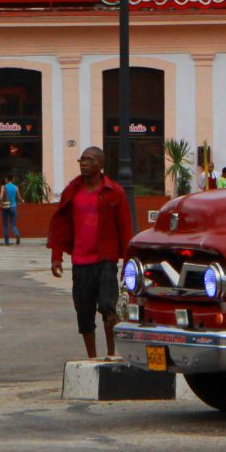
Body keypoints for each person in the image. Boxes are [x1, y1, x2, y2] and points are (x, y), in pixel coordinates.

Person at [49, 146, 136, 359]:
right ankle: (92, 357)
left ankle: (111, 353)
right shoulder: (72, 191)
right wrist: (56, 256)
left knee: (108, 307)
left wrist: (128, 263)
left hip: (106, 260)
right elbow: (60, 224)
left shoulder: (114, 192)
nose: (83, 163)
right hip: (80, 262)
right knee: (84, 312)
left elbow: (125, 228)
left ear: (100, 164)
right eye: (82, 159)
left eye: (88, 160)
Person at [0, 174, 22, 245]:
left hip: (5, 207)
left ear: (6, 179)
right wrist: (22, 200)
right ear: (12, 179)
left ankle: (6, 242)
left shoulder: (4, 187)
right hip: (13, 206)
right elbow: (19, 198)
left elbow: (0, 197)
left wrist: (0, 201)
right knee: (13, 225)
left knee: (5, 225)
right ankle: (17, 233)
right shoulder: (16, 187)